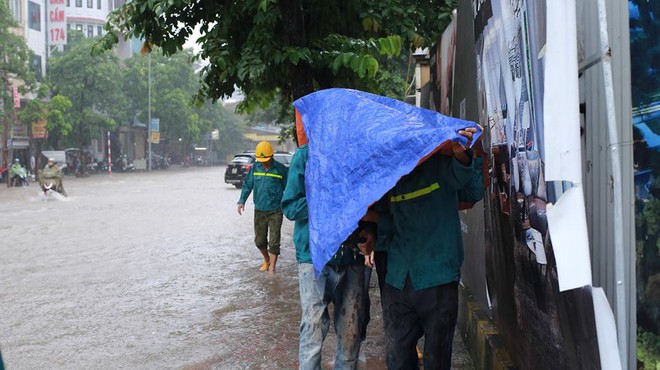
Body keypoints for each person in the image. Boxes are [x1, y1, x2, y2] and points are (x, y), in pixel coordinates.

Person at [378, 126, 483, 369]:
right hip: (398, 280)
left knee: (437, 358)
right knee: (397, 357)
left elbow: (471, 186)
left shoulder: (440, 166)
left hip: (437, 278)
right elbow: (383, 217)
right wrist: (370, 240)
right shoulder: (388, 178)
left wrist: (462, 153)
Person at [281, 140, 377, 369]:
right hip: (314, 259)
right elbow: (290, 206)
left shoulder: (360, 155)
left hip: (353, 258)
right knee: (312, 333)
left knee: (351, 335)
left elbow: (373, 203)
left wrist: (373, 234)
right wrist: (330, 202)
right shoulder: (305, 156)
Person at [237, 141, 289, 273]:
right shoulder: (255, 168)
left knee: (274, 241)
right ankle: (266, 260)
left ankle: (272, 268)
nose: (263, 162)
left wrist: (289, 205)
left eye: (265, 159)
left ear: (271, 156)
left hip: (276, 210)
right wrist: (241, 201)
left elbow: (288, 189)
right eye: (261, 160)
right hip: (259, 210)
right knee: (259, 241)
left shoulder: (281, 169)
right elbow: (247, 185)